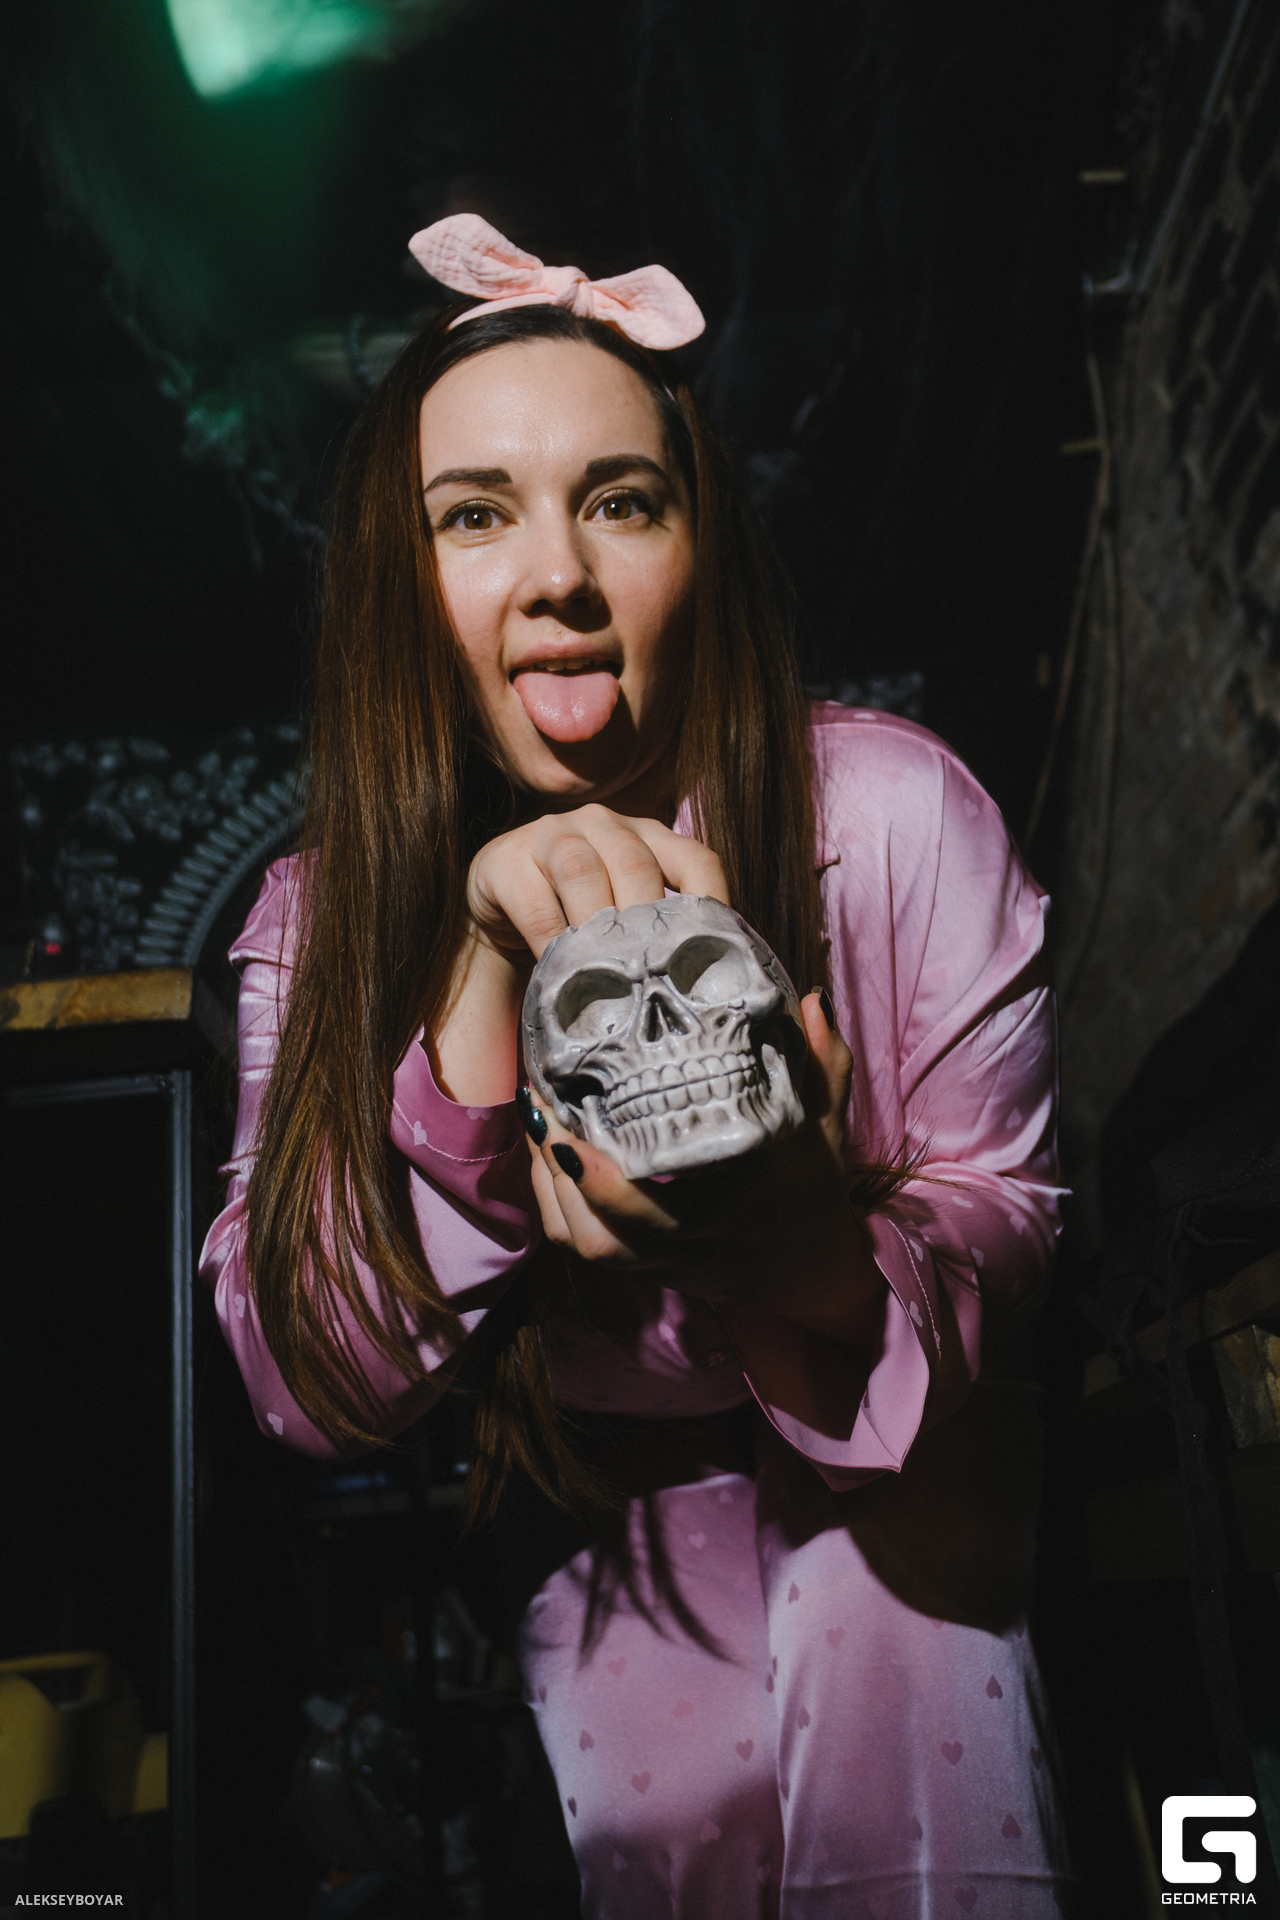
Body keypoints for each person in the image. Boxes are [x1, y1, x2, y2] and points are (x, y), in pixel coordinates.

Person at [200, 214, 1073, 1916]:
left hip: (908, 1448)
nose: (559, 576)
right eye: (475, 514)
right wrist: (477, 981)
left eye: (620, 500)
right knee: (674, 1845)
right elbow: (307, 1380)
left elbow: (1012, 1209)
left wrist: (803, 1241)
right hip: (601, 1502)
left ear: (698, 548)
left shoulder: (891, 814)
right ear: (397, 586)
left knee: (909, 1735)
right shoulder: (322, 922)